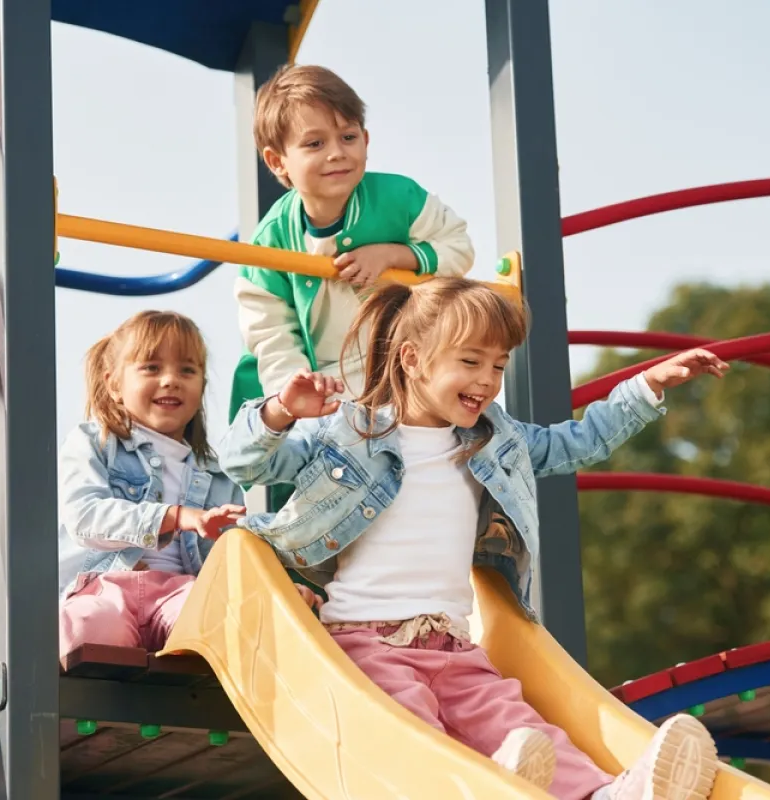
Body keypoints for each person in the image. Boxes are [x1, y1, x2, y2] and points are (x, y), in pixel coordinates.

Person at [218, 277, 730, 799]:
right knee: (414, 736)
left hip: (454, 644)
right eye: (470, 361)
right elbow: (246, 462)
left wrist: (647, 388)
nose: (487, 380)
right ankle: (487, 788)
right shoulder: (350, 432)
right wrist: (280, 411)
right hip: (367, 644)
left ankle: (606, 795)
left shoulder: (493, 439)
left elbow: (575, 443)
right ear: (413, 358)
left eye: (499, 366)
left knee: (524, 731)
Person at [57, 310, 320, 658]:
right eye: (151, 367)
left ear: (202, 387)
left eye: (187, 370)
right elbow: (85, 517)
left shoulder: (217, 474)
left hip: (180, 593)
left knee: (225, 620)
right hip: (106, 585)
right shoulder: (96, 442)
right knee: (94, 632)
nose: (171, 380)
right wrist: (176, 516)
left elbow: (231, 557)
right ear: (114, 385)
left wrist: (278, 591)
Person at [231, 63, 475, 418]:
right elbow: (270, 329)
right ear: (277, 161)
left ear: (366, 140)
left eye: (348, 137)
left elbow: (459, 247)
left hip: (404, 365)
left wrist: (395, 254)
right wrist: (297, 390)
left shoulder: (400, 198)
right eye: (315, 143)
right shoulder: (272, 239)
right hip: (327, 380)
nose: (337, 153)